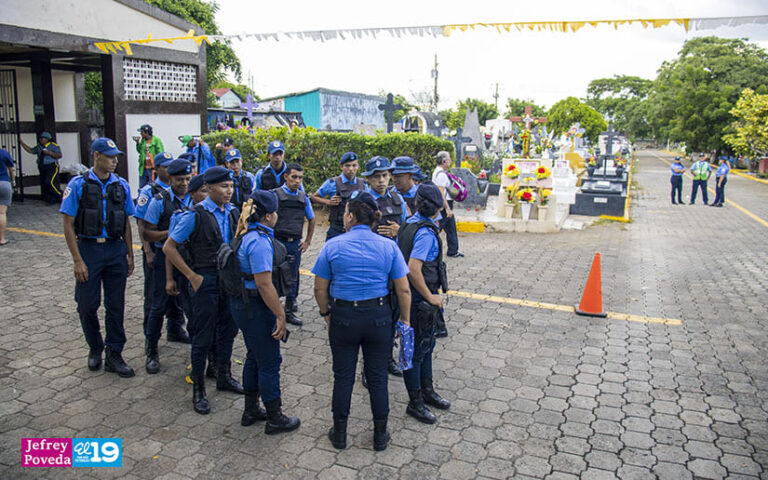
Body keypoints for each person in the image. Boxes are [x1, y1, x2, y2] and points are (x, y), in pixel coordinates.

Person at [312, 191, 411, 452]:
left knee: (343, 376)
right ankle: (380, 435)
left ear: (352, 217)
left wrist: (326, 314)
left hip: (344, 317)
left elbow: (319, 288)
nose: (343, 217)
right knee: (378, 377)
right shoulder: (389, 246)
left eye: (345, 213)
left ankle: (340, 433)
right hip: (378, 319)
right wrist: (405, 320)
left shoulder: (333, 246)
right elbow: (403, 290)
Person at [164, 166, 244, 414]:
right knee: (202, 337)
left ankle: (224, 375)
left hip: (227, 281)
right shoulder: (194, 215)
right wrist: (191, 275)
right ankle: (198, 389)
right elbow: (169, 247)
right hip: (205, 279)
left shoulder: (233, 213)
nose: (229, 191)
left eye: (231, 186)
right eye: (223, 187)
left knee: (228, 331)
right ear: (208, 188)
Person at [60, 138, 136, 377]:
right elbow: (68, 223)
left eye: (116, 156)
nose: (114, 160)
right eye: (109, 156)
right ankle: (95, 347)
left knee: (116, 305)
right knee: (87, 305)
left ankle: (115, 353)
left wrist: (130, 254)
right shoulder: (78, 185)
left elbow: (125, 221)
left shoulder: (121, 185)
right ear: (95, 156)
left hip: (115, 251)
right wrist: (77, 260)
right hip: (89, 250)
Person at [230, 190, 301, 434]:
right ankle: (274, 417)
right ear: (269, 216)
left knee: (254, 356)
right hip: (256, 307)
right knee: (270, 361)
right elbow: (264, 284)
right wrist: (280, 314)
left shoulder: (245, 232)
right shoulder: (259, 242)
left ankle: (250, 410)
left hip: (244, 305)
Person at [397, 182, 451, 424]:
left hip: (409, 296)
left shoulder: (408, 222)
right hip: (420, 299)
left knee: (425, 347)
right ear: (438, 208)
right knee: (417, 352)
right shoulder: (426, 233)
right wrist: (430, 297)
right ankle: (415, 402)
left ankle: (427, 391)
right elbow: (413, 269)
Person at [141, 158, 194, 373]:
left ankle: (178, 332)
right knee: (158, 304)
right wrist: (173, 232)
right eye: (179, 179)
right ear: (170, 179)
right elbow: (147, 232)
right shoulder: (158, 201)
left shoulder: (194, 198)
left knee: (188, 303)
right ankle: (151, 349)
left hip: (187, 258)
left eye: (187, 179)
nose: (184, 183)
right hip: (165, 257)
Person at [135, 152, 188, 344]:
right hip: (158, 252)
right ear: (156, 169)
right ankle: (151, 342)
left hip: (181, 256)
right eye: (164, 166)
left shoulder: (190, 194)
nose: (184, 182)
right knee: (155, 299)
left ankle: (175, 329)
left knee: (178, 298)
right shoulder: (151, 193)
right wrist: (148, 251)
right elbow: (143, 225)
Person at [272, 163, 315, 326]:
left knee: (293, 278)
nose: (297, 181)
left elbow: (312, 219)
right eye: (294, 177)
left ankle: (288, 311)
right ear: (286, 177)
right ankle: (274, 311)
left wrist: (308, 241)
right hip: (278, 242)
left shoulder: (303, 197)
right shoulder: (275, 195)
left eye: (300, 178)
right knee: (274, 276)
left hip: (294, 244)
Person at [311, 151, 365, 240]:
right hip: (337, 230)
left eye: (354, 165)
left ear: (358, 166)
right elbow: (314, 197)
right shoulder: (332, 183)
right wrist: (328, 202)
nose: (351, 169)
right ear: (341, 166)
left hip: (356, 230)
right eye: (347, 165)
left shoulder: (363, 184)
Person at [432, 151, 463, 257]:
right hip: (444, 204)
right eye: (449, 159)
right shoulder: (441, 175)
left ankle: (453, 250)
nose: (450, 162)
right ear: (444, 161)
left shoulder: (438, 172)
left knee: (451, 227)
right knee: (438, 227)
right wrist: (447, 208)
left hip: (444, 204)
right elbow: (441, 192)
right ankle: (431, 246)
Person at [20, 132, 62, 204]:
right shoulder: (39, 146)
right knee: (45, 184)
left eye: (42, 138)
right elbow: (31, 150)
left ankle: (61, 195)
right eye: (40, 138)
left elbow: (59, 155)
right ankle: (51, 199)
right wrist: (22, 143)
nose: (40, 140)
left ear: (47, 139)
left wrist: (49, 153)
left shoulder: (53, 146)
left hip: (52, 166)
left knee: (50, 182)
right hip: (42, 167)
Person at [0, 147, 16, 245]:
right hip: (4, 183)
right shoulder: (4, 153)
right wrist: (13, 181)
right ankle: (2, 239)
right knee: (2, 213)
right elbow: (12, 169)